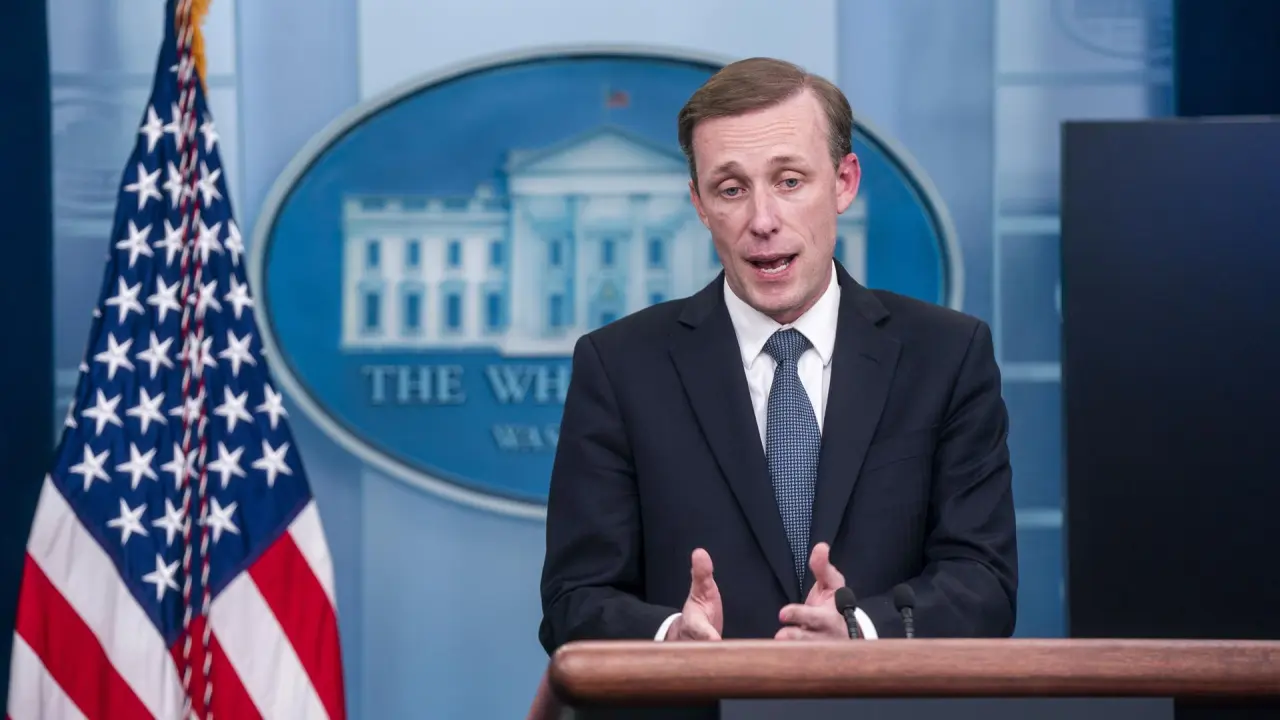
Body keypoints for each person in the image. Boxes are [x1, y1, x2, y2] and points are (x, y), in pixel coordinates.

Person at [538, 57, 1017, 653]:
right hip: (696, 699)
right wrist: (669, 638)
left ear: (843, 182)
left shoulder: (947, 356)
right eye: (731, 189)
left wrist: (861, 629)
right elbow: (574, 600)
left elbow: (983, 583)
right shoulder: (619, 367)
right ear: (699, 204)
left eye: (789, 181)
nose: (762, 220)